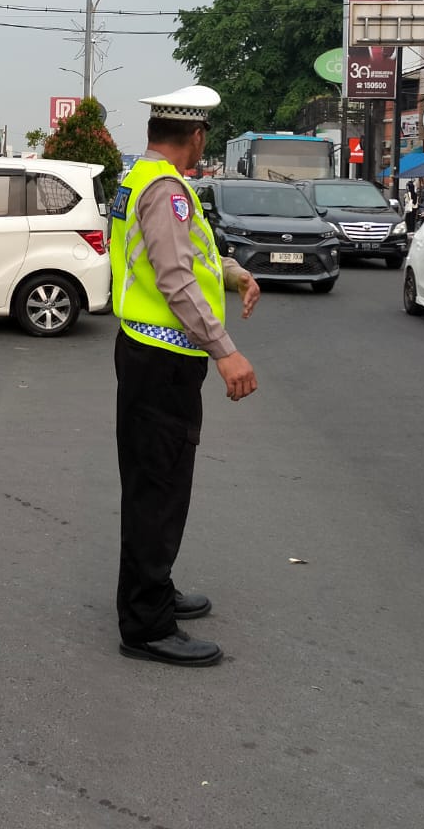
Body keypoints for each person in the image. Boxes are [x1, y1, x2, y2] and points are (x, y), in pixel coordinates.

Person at [110, 84, 261, 668]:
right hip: (163, 360)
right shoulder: (167, 190)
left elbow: (180, 258)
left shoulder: (140, 178)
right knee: (159, 489)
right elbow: (173, 277)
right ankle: (147, 624)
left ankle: (154, 588)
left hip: (146, 352)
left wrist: (231, 272)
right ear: (196, 137)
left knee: (153, 483)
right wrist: (225, 350)